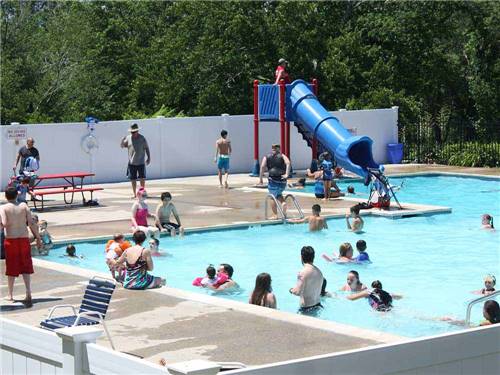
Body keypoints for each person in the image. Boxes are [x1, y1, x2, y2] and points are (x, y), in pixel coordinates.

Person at [0, 187, 42, 306]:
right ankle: (28, 292)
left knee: (11, 267)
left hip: (11, 240)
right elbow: (31, 223)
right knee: (25, 266)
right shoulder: (23, 206)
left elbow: (4, 223)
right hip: (24, 239)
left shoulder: (3, 208)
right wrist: (38, 238)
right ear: (17, 195)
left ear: (6, 197)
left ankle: (11, 295)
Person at [259, 144, 291, 219]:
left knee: (272, 197)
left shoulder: (266, 156)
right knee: (278, 194)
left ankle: (275, 215)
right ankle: (283, 203)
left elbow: (262, 166)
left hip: (273, 180)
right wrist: (287, 174)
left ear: (272, 149)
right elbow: (288, 163)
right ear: (279, 149)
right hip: (282, 181)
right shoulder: (283, 156)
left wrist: (260, 179)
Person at [289, 246, 324, 313]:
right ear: (313, 257)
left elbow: (297, 292)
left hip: (306, 309)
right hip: (318, 306)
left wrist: (291, 290)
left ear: (301, 257)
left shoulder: (302, 273)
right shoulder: (319, 272)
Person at [121, 123, 151, 198]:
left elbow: (146, 148)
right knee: (133, 179)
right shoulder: (128, 138)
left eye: (134, 132)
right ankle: (135, 194)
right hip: (131, 163)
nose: (133, 133)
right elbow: (122, 146)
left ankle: (142, 193)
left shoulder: (142, 138)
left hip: (141, 162)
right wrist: (122, 140)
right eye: (132, 132)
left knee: (142, 178)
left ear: (137, 131)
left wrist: (149, 157)